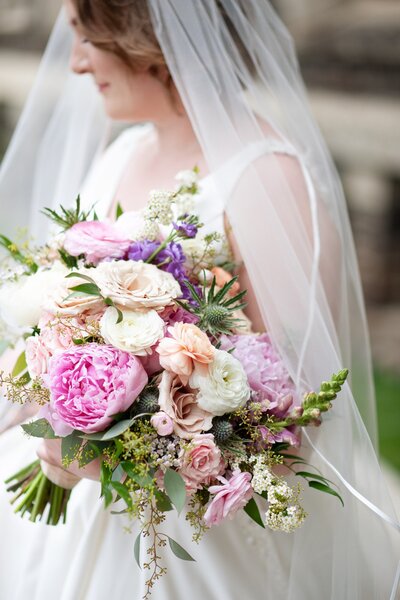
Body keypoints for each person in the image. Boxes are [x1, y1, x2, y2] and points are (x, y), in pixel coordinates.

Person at [0, 1, 398, 598]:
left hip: (192, 530)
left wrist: (117, 454)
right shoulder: (123, 152)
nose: (78, 64)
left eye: (90, 39)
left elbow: (289, 417)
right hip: (86, 493)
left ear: (146, 39)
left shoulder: (267, 180)